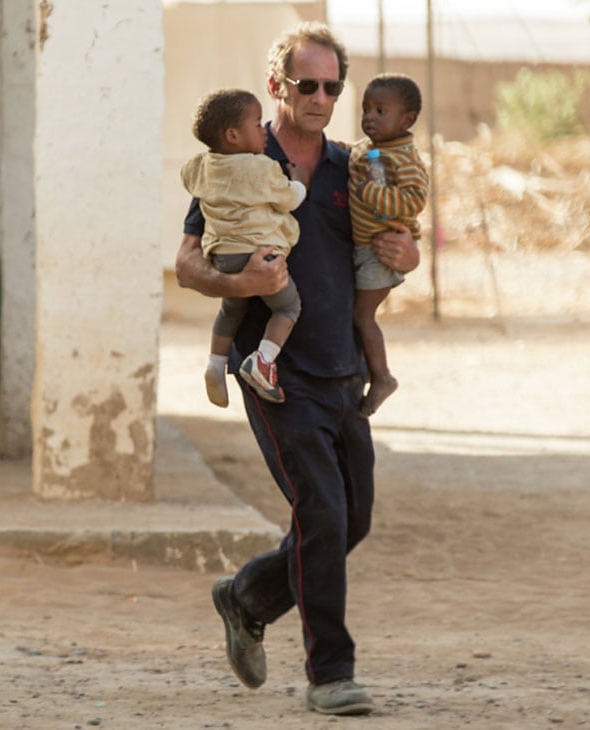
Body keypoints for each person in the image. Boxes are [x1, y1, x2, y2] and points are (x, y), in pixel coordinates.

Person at [174, 22, 419, 716]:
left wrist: (409, 254)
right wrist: (237, 285)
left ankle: (247, 596)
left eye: (332, 87)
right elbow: (188, 262)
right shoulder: (240, 159)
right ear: (277, 85)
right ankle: (330, 673)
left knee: (353, 520)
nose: (320, 97)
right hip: (274, 374)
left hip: (343, 371)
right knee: (321, 511)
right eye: (306, 84)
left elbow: (394, 247)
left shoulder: (354, 167)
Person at [181, 88, 307, 407]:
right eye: (256, 123)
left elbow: (188, 178)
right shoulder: (261, 168)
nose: (263, 130)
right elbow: (288, 199)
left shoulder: (199, 166)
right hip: (262, 256)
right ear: (234, 135)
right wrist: (298, 181)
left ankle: (215, 363)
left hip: (222, 257)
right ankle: (263, 360)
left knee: (230, 308)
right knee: (287, 307)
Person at [347, 73, 429, 417]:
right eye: (367, 109)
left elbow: (413, 201)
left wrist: (370, 193)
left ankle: (382, 377)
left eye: (381, 110)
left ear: (407, 120)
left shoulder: (405, 158)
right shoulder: (368, 149)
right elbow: (351, 161)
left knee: (362, 315)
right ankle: (367, 368)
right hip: (363, 250)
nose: (370, 117)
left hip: (379, 254)